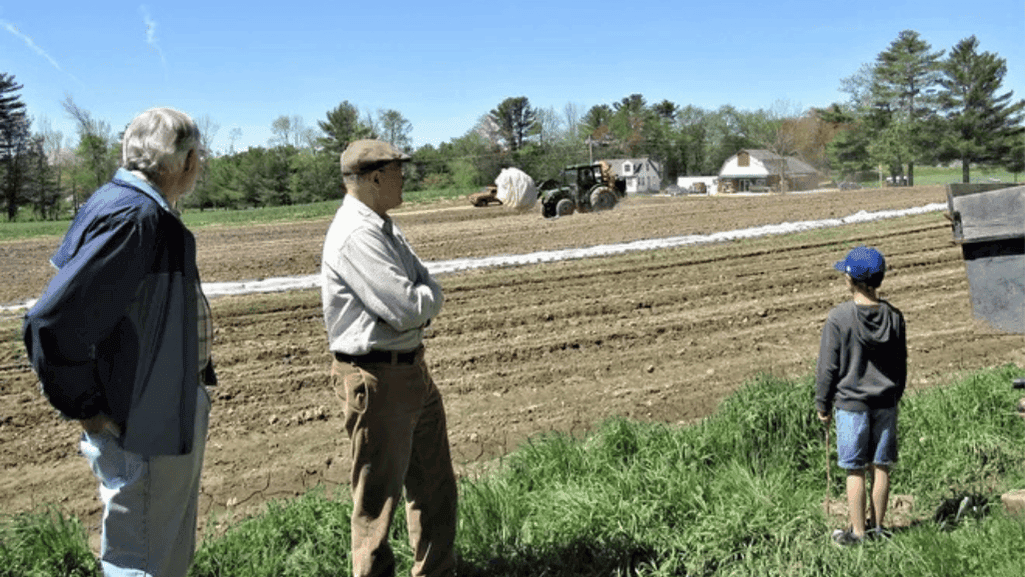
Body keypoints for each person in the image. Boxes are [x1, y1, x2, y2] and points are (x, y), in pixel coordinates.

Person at [23, 107, 214, 576]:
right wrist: (85, 406)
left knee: (160, 553)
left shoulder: (123, 203)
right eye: (199, 157)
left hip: (153, 407)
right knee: (144, 561)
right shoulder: (136, 218)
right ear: (187, 161)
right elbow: (52, 322)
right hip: (143, 419)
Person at [321, 139, 457, 577]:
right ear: (375, 176)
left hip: (410, 370)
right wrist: (425, 301)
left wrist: (425, 299)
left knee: (435, 486)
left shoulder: (384, 225)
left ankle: (436, 571)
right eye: (399, 170)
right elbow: (407, 307)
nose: (405, 177)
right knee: (377, 503)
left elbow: (426, 286)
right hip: (377, 379)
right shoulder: (357, 234)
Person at [815, 246, 907, 546]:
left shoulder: (839, 318)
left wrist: (823, 404)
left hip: (851, 405)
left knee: (855, 470)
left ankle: (857, 533)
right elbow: (900, 365)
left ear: (849, 280)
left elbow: (828, 367)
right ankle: (879, 528)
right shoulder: (895, 316)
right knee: (881, 466)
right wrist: (895, 396)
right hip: (886, 403)